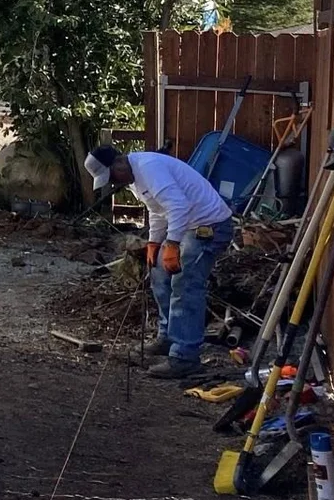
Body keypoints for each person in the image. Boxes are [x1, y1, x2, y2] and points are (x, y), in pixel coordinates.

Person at [84, 144, 234, 378]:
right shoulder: (135, 178)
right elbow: (157, 211)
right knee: (159, 274)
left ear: (119, 162)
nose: (114, 182)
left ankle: (185, 356)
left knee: (185, 283)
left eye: (112, 176)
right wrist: (155, 243)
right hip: (187, 225)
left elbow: (179, 206)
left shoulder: (150, 168)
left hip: (210, 225)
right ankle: (169, 337)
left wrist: (172, 244)